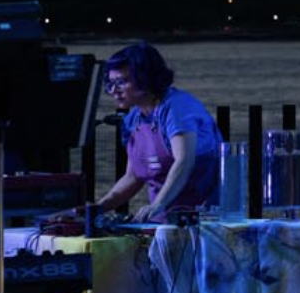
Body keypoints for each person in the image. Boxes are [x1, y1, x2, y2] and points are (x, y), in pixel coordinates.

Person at [92, 43, 222, 220]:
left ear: (145, 78)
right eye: (110, 83)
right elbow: (133, 177)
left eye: (121, 82)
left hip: (203, 219)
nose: (114, 91)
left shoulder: (176, 108)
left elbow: (184, 161)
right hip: (161, 219)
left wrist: (158, 204)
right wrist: (97, 209)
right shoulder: (133, 119)